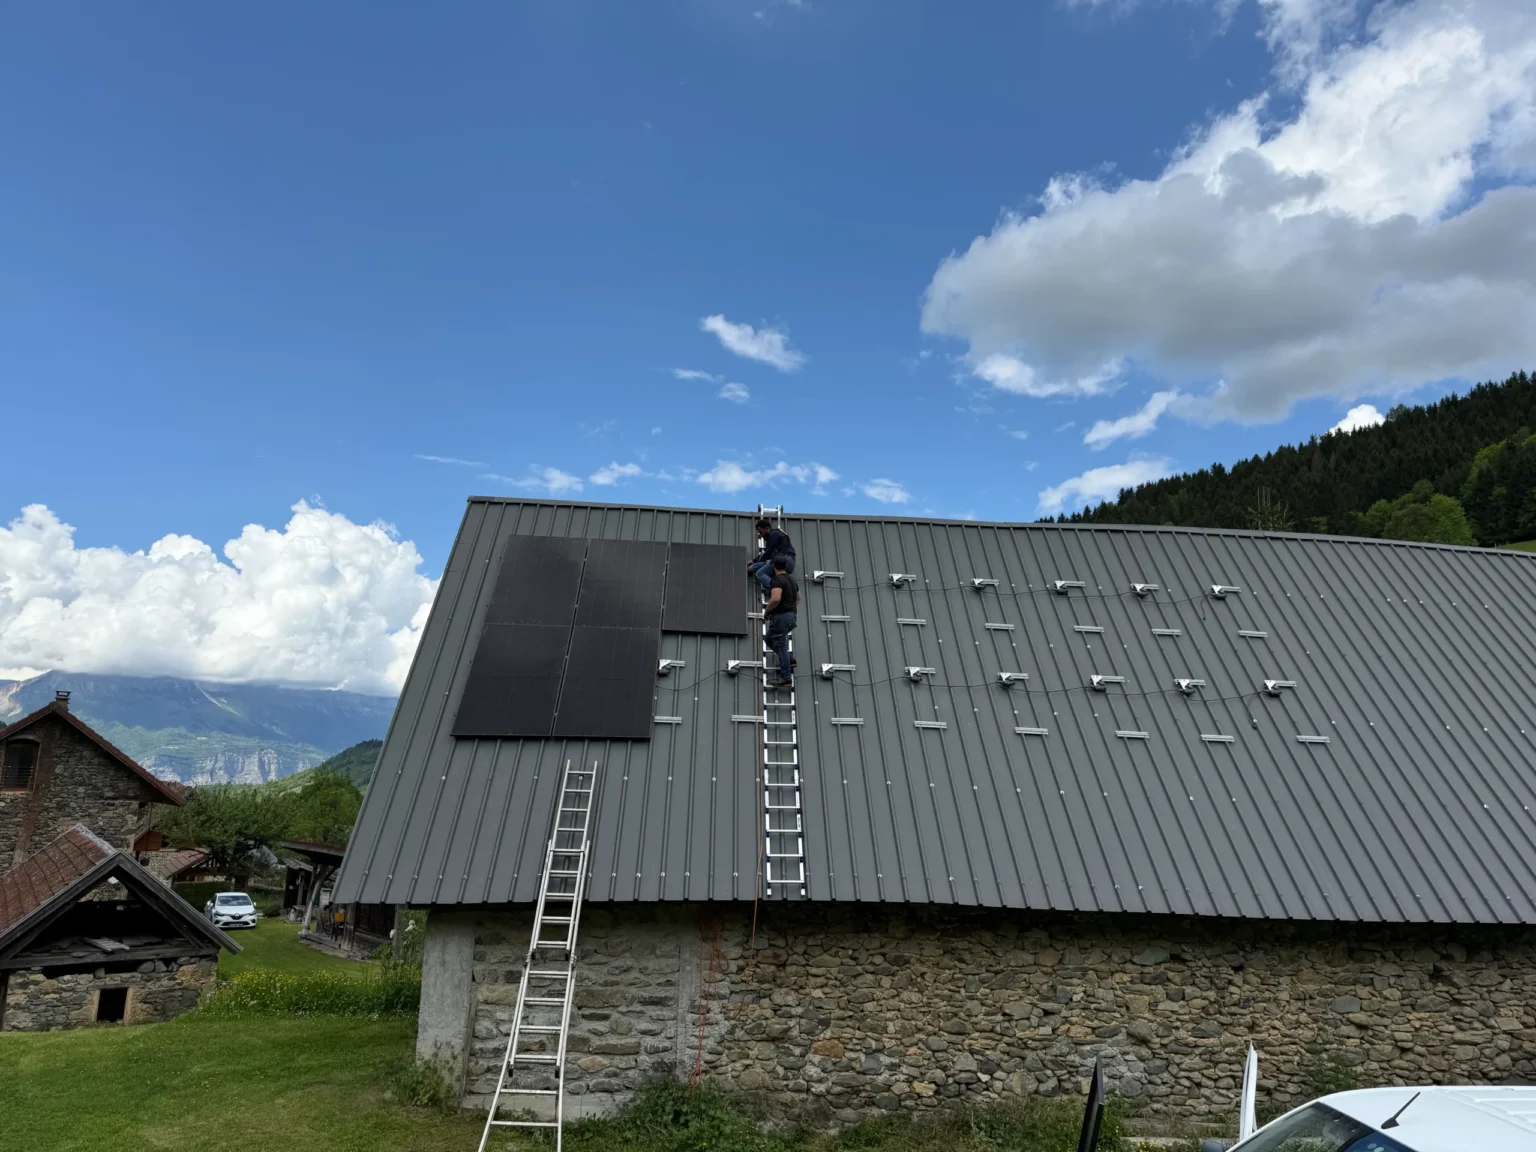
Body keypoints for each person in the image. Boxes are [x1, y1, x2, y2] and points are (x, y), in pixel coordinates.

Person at [763, 555, 798, 687]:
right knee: (768, 639)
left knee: (780, 644)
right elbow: (798, 598)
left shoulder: (777, 580)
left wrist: (767, 611)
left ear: (773, 566)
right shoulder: (792, 580)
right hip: (791, 616)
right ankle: (789, 660)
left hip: (781, 617)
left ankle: (786, 677)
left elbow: (775, 598)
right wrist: (790, 607)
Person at [747, 518, 795, 592]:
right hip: (786, 561)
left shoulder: (773, 534)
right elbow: (767, 553)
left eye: (761, 532)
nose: (761, 535)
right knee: (765, 564)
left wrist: (755, 563)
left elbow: (768, 552)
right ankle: (751, 568)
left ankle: (775, 590)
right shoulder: (777, 534)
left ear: (767, 528)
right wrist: (753, 562)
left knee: (760, 573)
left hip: (784, 560)